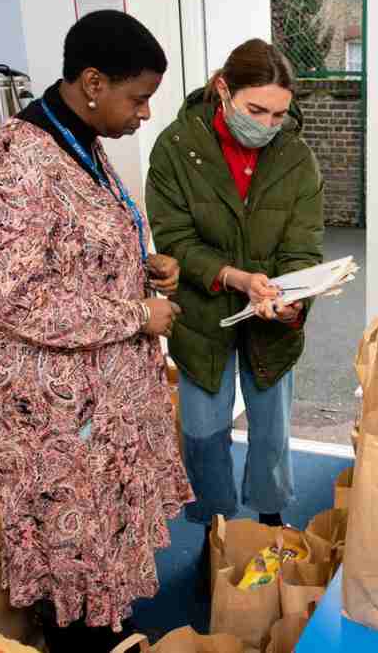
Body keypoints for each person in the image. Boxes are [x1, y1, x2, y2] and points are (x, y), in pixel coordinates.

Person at [0, 10, 193, 651]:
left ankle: (107, 625)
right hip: (54, 409)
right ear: (93, 82)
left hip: (98, 392)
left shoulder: (81, 143)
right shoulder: (15, 158)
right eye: (139, 97)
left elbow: (75, 252)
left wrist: (143, 265)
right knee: (74, 538)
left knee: (103, 530)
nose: (145, 114)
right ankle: (82, 636)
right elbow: (16, 298)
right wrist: (134, 315)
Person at [146, 39, 324, 560]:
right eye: (256, 111)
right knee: (203, 432)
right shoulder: (176, 148)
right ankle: (214, 526)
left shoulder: (295, 156)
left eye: (279, 114)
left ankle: (270, 518)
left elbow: (302, 247)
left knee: (272, 427)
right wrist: (233, 277)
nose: (268, 126)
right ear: (223, 88)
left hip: (269, 318)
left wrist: (292, 297)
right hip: (202, 315)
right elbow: (174, 239)